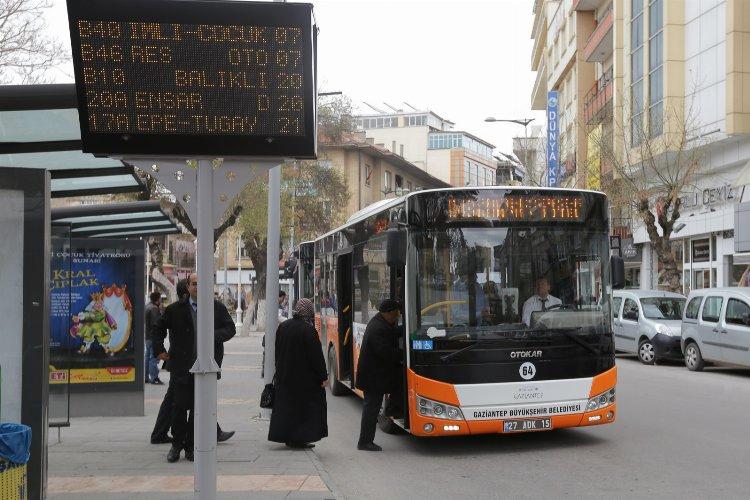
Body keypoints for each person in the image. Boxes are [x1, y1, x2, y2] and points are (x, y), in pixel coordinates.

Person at [151, 273, 236, 463]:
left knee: (199, 410)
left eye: (202, 283)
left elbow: (230, 329)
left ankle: (191, 446)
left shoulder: (216, 308)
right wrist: (159, 350)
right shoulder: (175, 309)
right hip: (181, 367)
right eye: (194, 284)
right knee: (178, 407)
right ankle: (176, 445)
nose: (198, 287)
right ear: (188, 287)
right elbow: (158, 328)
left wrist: (211, 336)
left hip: (206, 369)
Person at [268, 298, 328, 449]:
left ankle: (288, 437)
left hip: (285, 375)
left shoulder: (284, 326)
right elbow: (316, 357)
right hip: (304, 379)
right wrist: (323, 377)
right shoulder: (308, 330)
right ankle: (299, 439)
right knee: (303, 410)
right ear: (309, 312)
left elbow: (277, 351)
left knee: (287, 409)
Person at [355, 299, 402, 452]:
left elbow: (391, 333)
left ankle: (393, 410)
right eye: (395, 315)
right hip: (372, 378)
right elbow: (384, 352)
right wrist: (404, 354)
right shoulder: (378, 328)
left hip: (375, 376)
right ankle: (365, 442)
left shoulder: (380, 322)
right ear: (388, 313)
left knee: (372, 408)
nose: (395, 318)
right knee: (371, 410)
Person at [144, 291, 163, 385]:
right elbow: (156, 324)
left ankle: (146, 377)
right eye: (160, 298)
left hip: (147, 336)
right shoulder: (154, 309)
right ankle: (154, 378)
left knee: (147, 357)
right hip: (153, 337)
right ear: (157, 299)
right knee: (154, 357)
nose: (161, 300)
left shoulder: (147, 307)